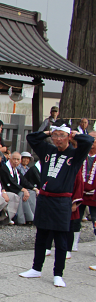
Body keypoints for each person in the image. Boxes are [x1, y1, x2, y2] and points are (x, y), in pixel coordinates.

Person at [19, 123, 94, 287]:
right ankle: (36, 268)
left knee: (61, 239)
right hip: (45, 198)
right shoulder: (47, 150)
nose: (58, 139)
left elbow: (88, 141)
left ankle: (58, 274)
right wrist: (47, 132)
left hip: (61, 201)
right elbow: (31, 138)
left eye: (62, 136)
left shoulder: (75, 155)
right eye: (55, 135)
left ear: (68, 137)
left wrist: (75, 135)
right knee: (41, 236)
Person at [0, 151, 36, 225]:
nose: (16, 161)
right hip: (7, 190)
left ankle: (31, 217)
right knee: (22, 194)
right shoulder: (5, 169)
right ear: (10, 159)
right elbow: (12, 182)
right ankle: (21, 219)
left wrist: (34, 188)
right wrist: (23, 189)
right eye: (14, 159)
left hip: (15, 189)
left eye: (18, 160)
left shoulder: (16, 170)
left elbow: (24, 181)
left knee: (32, 192)